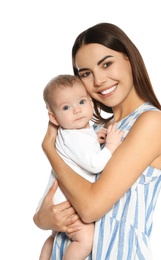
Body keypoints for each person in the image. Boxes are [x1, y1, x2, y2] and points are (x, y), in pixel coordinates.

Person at [33, 22, 161, 260]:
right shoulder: (93, 129)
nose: (98, 80)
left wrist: (49, 149)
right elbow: (57, 200)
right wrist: (41, 219)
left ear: (129, 59)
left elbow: (90, 209)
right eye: (86, 73)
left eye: (107, 64)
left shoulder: (151, 122)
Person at [36, 74, 123, 260]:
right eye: (66, 107)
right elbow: (94, 164)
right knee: (85, 239)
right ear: (54, 118)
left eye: (82, 102)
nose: (77, 110)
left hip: (58, 200)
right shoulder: (75, 137)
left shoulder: (77, 132)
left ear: (91, 103)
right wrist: (110, 146)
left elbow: (82, 148)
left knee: (54, 236)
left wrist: (95, 136)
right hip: (68, 204)